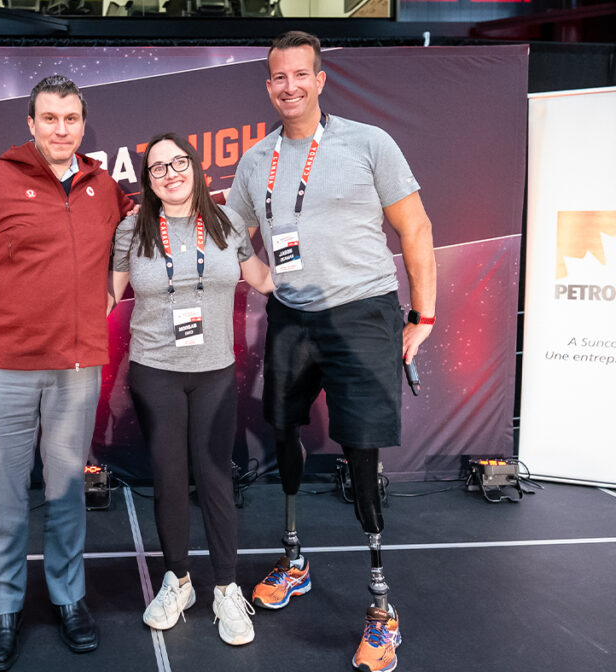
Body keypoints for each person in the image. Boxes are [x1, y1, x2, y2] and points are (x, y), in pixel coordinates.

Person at [225, 31, 436, 672]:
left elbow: (415, 227)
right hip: (293, 316)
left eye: (300, 75)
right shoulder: (256, 160)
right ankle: (295, 561)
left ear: (320, 80)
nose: (289, 86)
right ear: (268, 86)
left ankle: (381, 609)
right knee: (282, 431)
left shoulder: (369, 143)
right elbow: (232, 233)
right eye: (278, 77)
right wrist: (265, 280)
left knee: (361, 449)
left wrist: (423, 315)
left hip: (364, 312)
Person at [0, 75, 133, 672]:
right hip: (2, 371)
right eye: (49, 118)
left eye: (70, 119)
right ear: (30, 123)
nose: (60, 129)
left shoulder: (103, 187)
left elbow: (145, 231)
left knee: (68, 494)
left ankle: (69, 598)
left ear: (83, 123)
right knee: (5, 500)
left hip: (76, 370)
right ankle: (4, 609)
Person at [109, 133, 274, 645]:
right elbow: (105, 296)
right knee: (169, 476)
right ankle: (178, 580)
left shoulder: (226, 224)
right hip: (154, 370)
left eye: (178, 162)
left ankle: (226, 587)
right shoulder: (132, 229)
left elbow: (266, 281)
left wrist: (323, 255)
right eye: (158, 168)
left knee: (215, 478)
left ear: (196, 167)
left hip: (214, 372)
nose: (170, 173)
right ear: (148, 180)